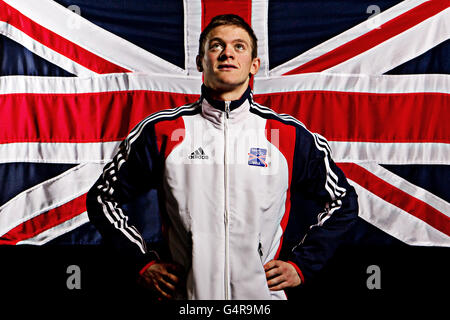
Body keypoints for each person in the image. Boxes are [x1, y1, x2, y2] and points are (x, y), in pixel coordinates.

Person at [86, 14, 358, 300]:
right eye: (217, 46)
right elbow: (102, 197)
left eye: (239, 46)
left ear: (254, 65)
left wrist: (303, 264)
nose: (228, 52)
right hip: (189, 300)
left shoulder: (287, 134)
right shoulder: (163, 130)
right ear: (200, 62)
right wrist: (141, 264)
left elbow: (344, 201)